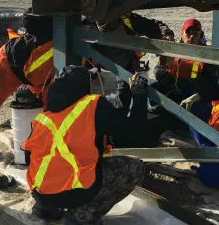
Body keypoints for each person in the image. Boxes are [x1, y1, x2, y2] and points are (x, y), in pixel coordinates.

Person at [22, 66, 149, 225]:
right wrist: (139, 94)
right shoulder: (92, 106)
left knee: (57, 166)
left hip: (41, 191)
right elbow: (133, 130)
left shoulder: (44, 116)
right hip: (75, 190)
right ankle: (81, 215)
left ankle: (46, 209)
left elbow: (29, 155)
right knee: (134, 167)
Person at [0, 15, 54, 159]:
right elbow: (32, 20)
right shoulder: (45, 36)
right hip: (8, 63)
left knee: (52, 109)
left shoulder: (72, 46)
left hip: (39, 77)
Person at [90, 12, 175, 72]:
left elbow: (154, 26)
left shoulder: (129, 20)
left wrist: (166, 34)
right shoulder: (88, 25)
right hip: (101, 66)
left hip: (127, 66)